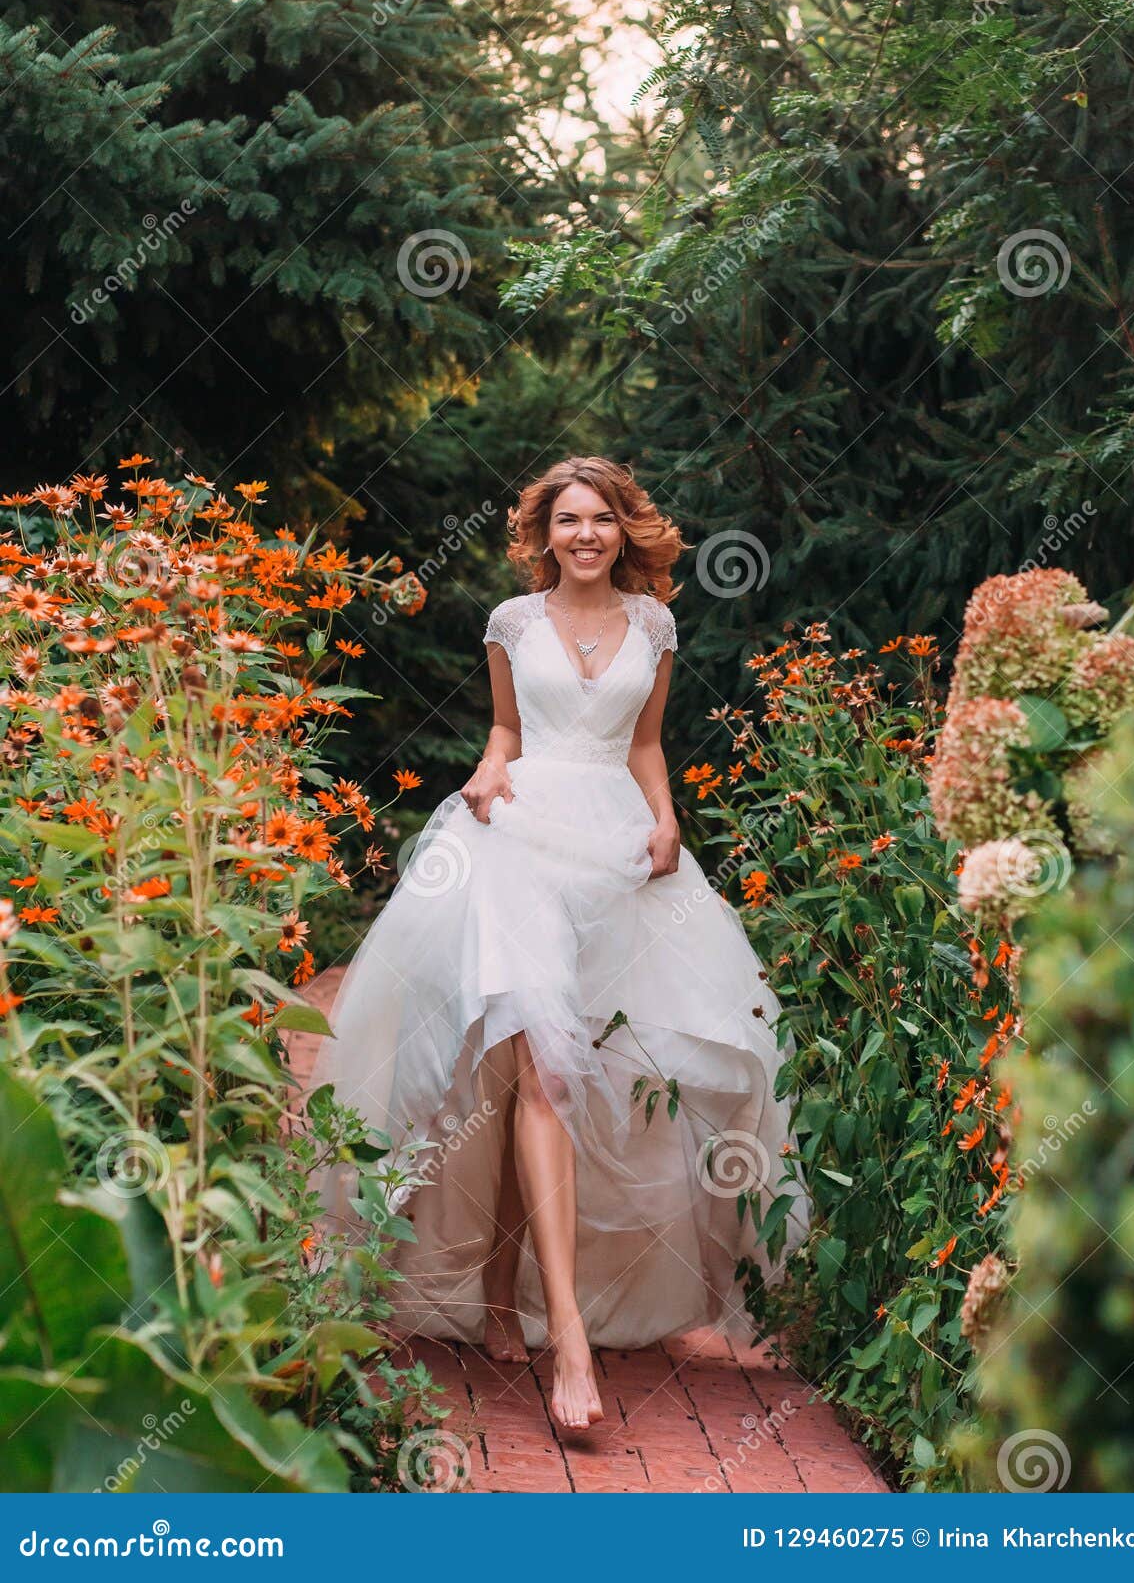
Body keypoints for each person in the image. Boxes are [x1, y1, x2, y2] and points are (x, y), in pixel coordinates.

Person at [309, 455, 811, 1433]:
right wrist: (487, 776)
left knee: (586, 1069)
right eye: (569, 520)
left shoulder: (656, 626)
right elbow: (506, 729)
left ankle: (502, 1284)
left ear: (625, 530)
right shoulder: (511, 622)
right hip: (518, 844)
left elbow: (644, 742)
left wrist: (667, 819)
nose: (586, 535)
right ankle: (569, 1345)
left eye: (603, 520)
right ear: (545, 532)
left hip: (621, 854)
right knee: (541, 1069)